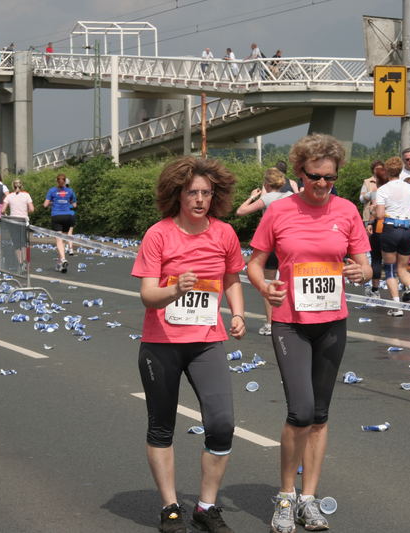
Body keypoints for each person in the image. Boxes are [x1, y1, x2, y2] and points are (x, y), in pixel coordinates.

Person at [246, 133, 371, 533]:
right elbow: (255, 263)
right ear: (300, 173)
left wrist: (360, 271)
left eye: (330, 178)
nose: (322, 185)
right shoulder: (279, 211)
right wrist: (264, 287)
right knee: (299, 411)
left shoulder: (348, 210)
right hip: (290, 323)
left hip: (332, 321)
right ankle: (285, 496)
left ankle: (309, 499)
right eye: (315, 177)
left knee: (318, 415)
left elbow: (366, 266)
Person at [132, 156, 245, 533]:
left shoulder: (224, 234)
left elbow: (231, 278)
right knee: (161, 427)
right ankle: (170, 507)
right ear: (177, 194)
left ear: (216, 196)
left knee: (222, 424)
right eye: (192, 192)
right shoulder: (159, 234)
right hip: (162, 343)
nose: (199, 200)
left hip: (207, 342)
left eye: (206, 193)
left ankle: (206, 506)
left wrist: (238, 313)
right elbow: (148, 295)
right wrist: (173, 289)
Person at [236, 167, 294, 336]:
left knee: (268, 284)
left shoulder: (267, 198)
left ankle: (270, 323)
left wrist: (253, 196)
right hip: (288, 245)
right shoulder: (291, 196)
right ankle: (289, 319)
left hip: (271, 246)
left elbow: (241, 211)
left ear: (267, 184)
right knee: (287, 282)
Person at [375, 156, 410, 315]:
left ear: (387, 172)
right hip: (407, 229)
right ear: (401, 170)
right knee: (403, 268)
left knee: (389, 270)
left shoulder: (382, 190)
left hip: (390, 228)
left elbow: (380, 215)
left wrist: (376, 210)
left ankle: (397, 306)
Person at [359, 160, 387, 297]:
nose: (378, 171)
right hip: (369, 218)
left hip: (378, 221)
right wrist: (370, 195)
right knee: (370, 252)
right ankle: (371, 283)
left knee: (378, 255)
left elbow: (376, 207)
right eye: (376, 169)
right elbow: (361, 198)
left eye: (381, 169)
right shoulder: (367, 182)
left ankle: (375, 287)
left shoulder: (386, 184)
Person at [43, 174, 77, 273]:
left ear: (57, 181)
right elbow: (74, 205)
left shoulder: (52, 190)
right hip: (68, 216)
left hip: (57, 216)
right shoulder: (70, 191)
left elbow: (45, 205)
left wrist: (53, 203)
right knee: (65, 238)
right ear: (65, 181)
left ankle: (63, 259)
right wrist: (66, 202)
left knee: (59, 240)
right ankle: (60, 262)